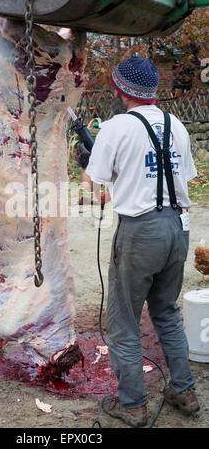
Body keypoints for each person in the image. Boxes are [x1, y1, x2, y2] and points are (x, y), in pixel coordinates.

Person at [85, 56, 200, 428]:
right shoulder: (177, 125)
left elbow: (94, 186)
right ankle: (184, 390)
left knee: (124, 322)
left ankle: (132, 404)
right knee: (166, 311)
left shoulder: (116, 127)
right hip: (178, 228)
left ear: (120, 90)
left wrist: (84, 161)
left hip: (140, 232)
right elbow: (182, 177)